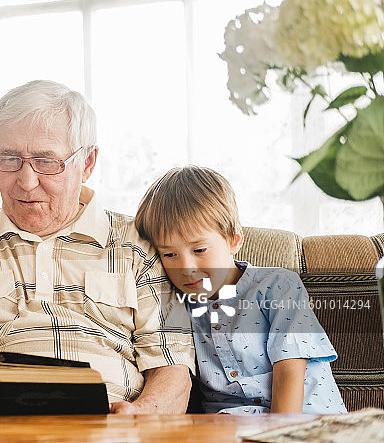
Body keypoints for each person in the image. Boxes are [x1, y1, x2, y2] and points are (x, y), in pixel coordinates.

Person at [0, 80, 195, 416]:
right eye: (9, 159)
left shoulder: (141, 245)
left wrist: (142, 416)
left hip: (108, 428)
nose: (26, 182)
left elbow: (172, 367)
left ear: (87, 163)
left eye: (46, 162)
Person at [134, 165, 347, 414]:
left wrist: (278, 434)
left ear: (234, 240)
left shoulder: (278, 286)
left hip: (305, 421)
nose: (186, 268)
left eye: (199, 250)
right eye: (169, 254)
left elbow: (290, 370)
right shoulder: (175, 304)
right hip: (228, 424)